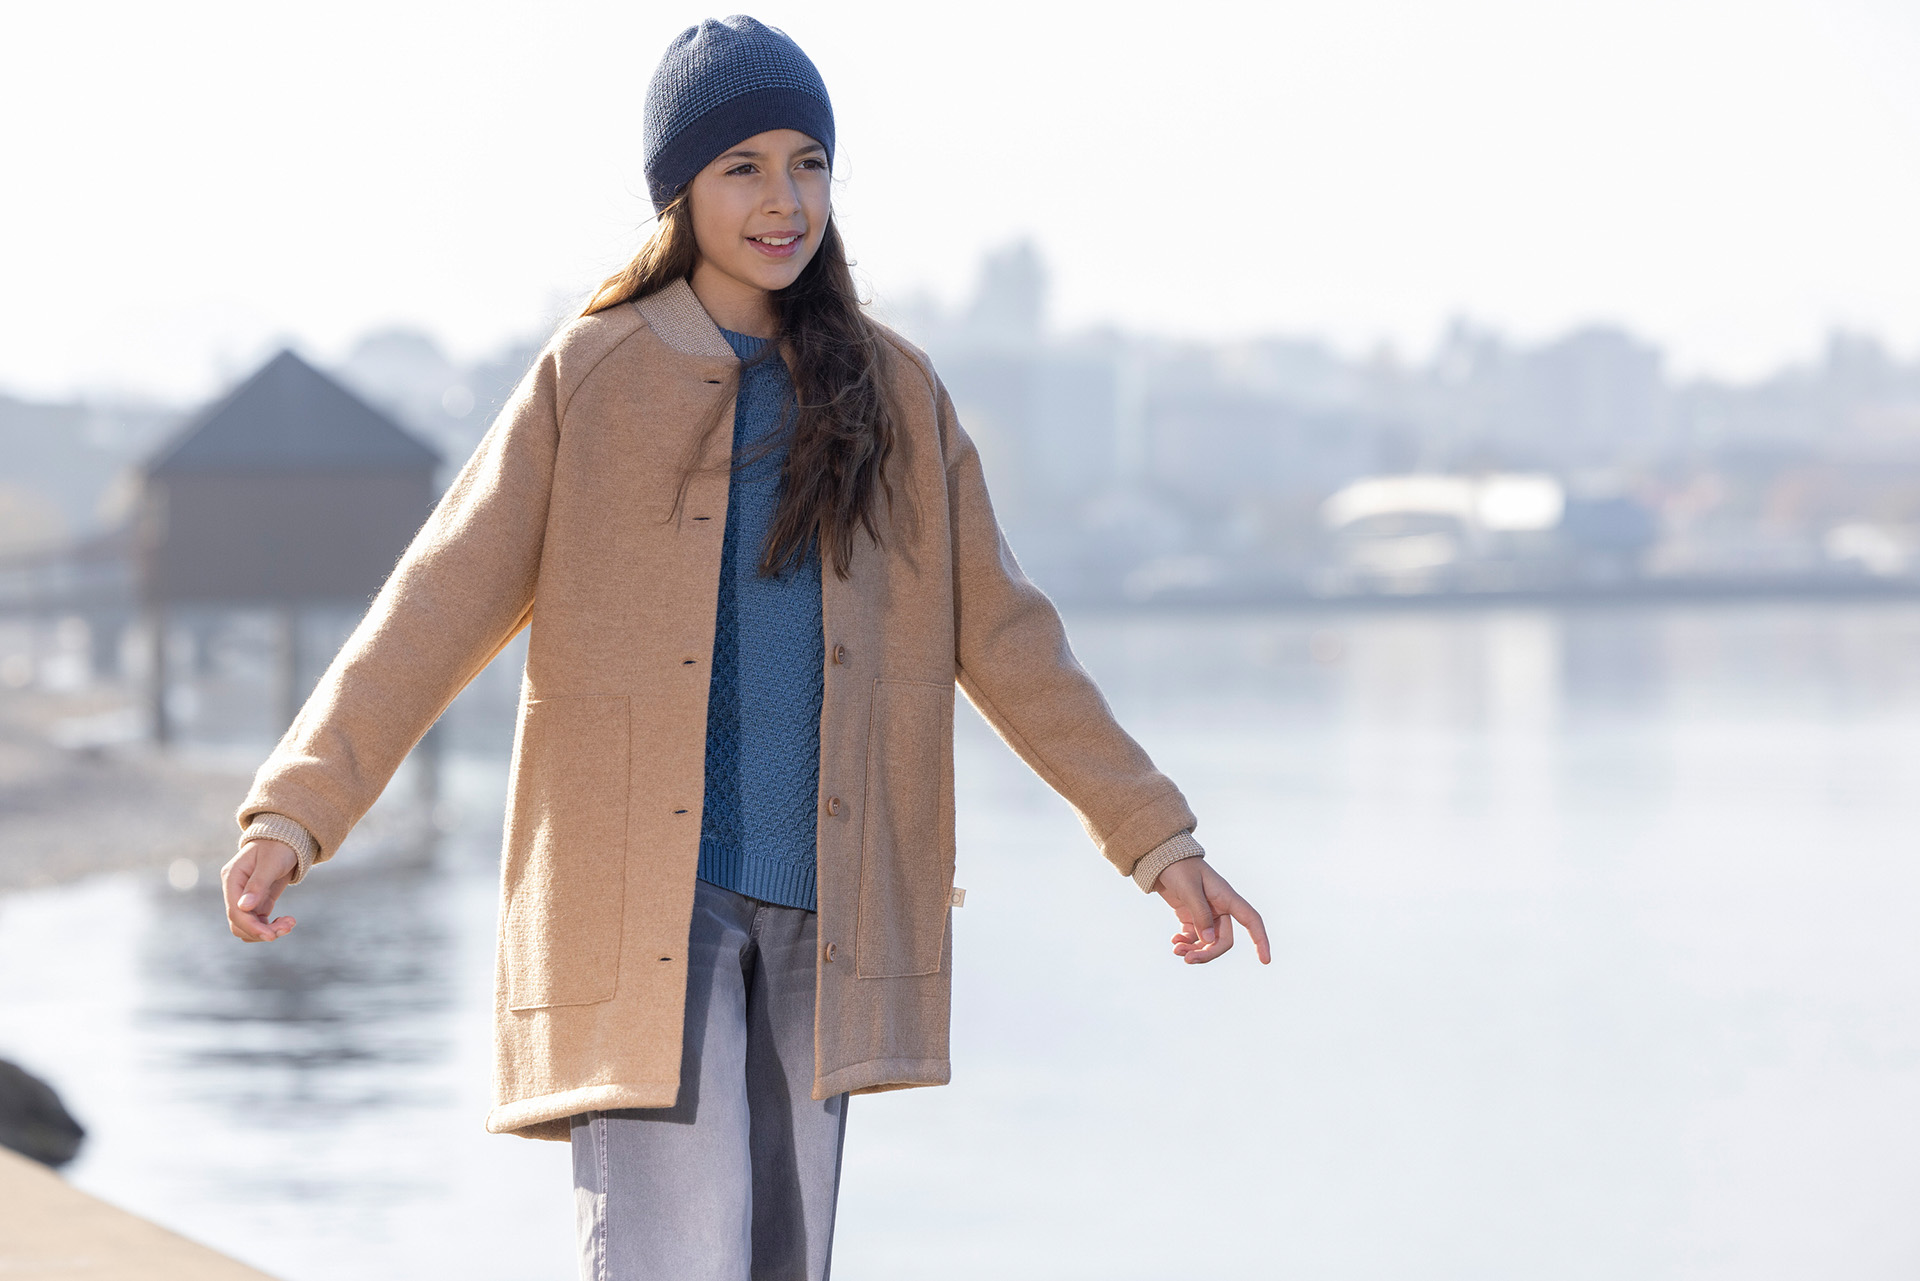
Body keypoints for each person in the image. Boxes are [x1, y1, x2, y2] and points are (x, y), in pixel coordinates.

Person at [220, 15, 1269, 1280]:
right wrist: (294, 813)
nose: (787, 201)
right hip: (638, 915)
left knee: (784, 1263)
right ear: (681, 189)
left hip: (825, 913)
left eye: (809, 163)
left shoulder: (893, 392)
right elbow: (437, 599)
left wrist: (1161, 843)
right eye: (746, 168)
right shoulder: (591, 377)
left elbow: (1006, 634)